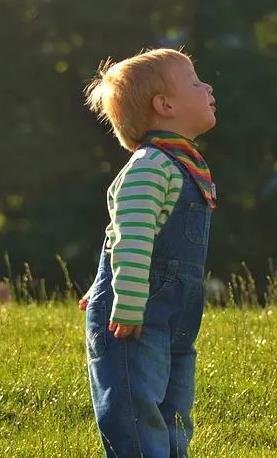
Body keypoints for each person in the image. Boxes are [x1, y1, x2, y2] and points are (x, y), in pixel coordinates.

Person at [78, 48, 218, 457]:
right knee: (136, 409)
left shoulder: (181, 164)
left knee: (174, 409)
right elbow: (132, 236)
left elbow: (122, 231)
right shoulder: (150, 165)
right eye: (195, 81)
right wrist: (124, 299)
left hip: (173, 316)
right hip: (135, 313)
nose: (207, 87)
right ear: (165, 105)